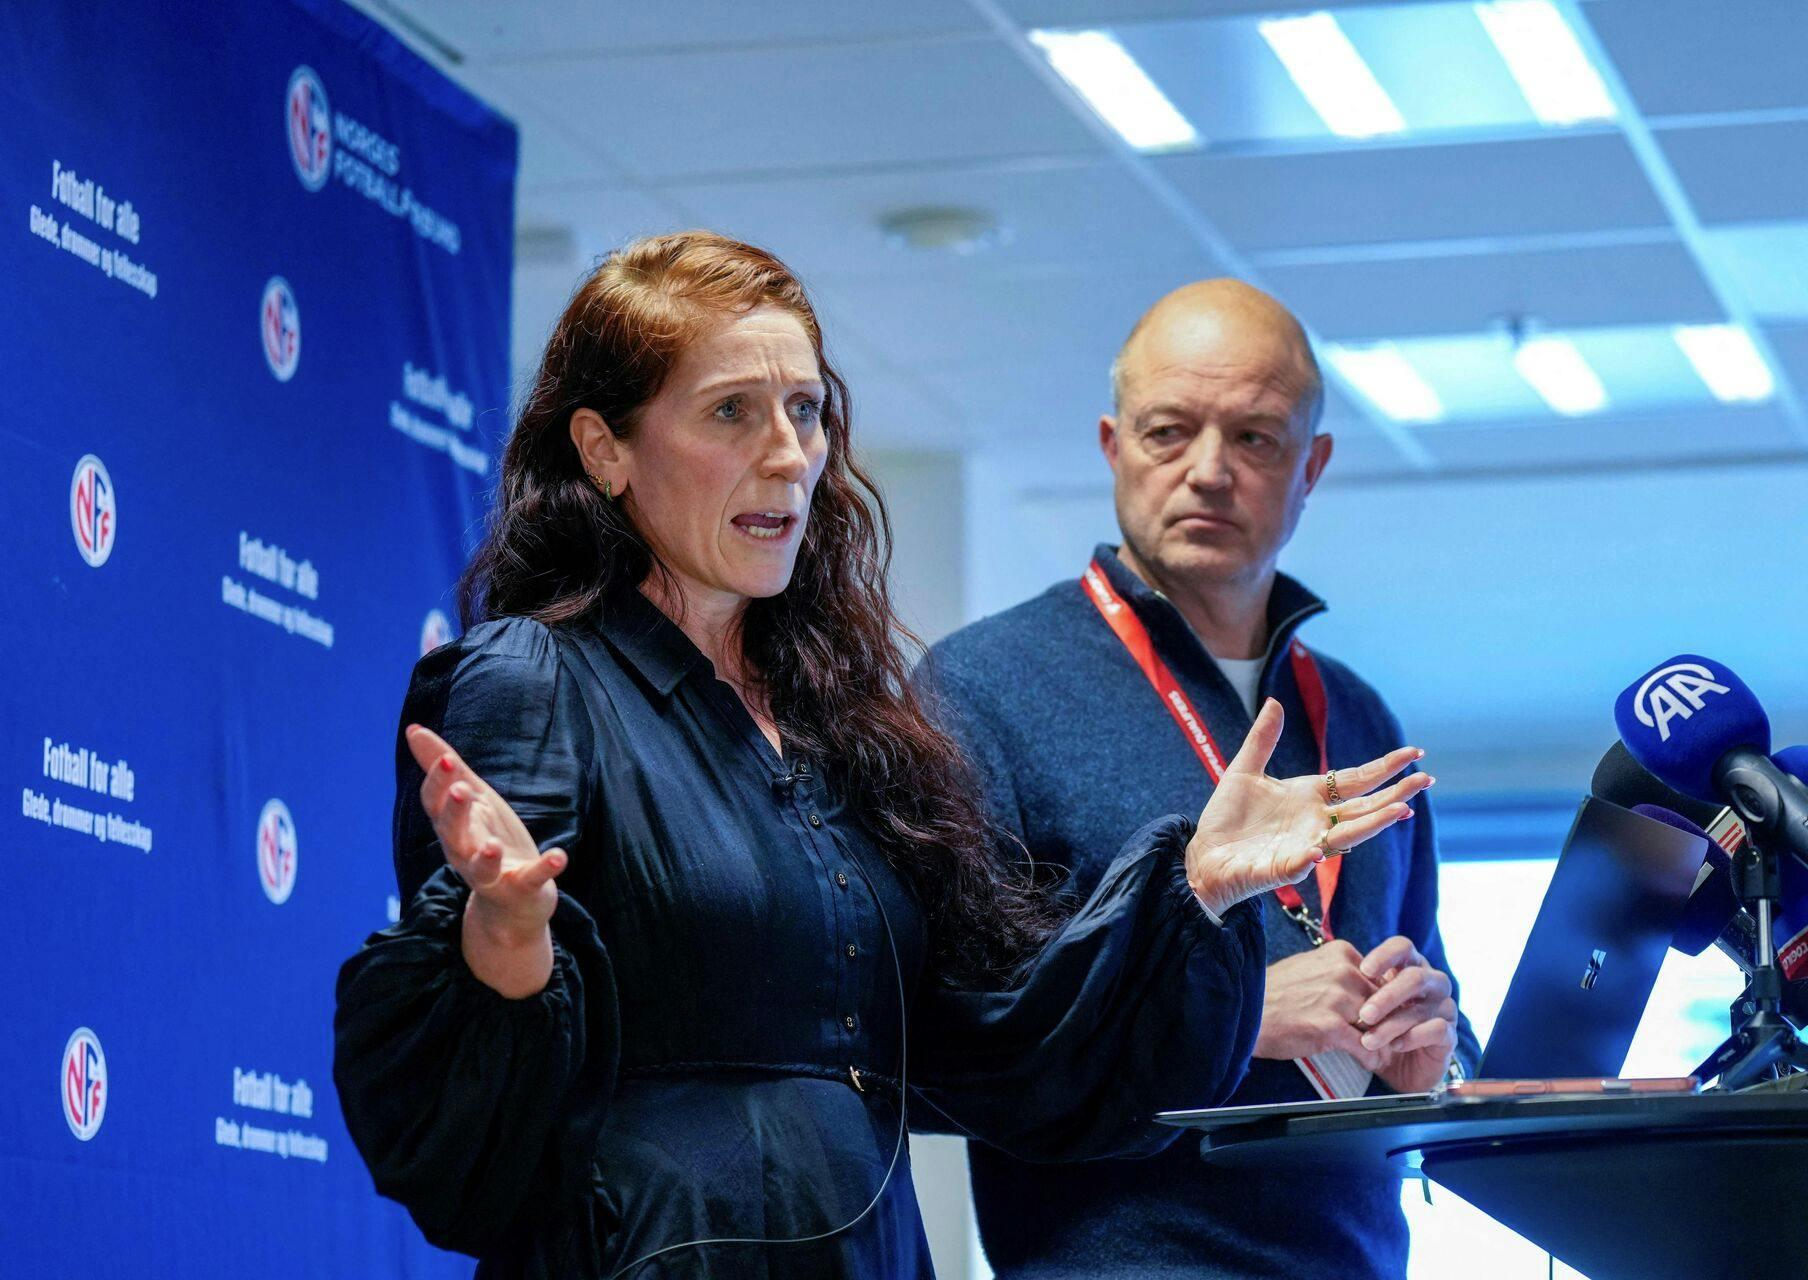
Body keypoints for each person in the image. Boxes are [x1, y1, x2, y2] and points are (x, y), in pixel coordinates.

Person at [331, 235, 1434, 1279]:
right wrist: (504, 933)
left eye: (805, 410)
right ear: (604, 448)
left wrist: (1192, 885)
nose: (787, 454)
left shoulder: (840, 725)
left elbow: (996, 1042)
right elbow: (449, 1139)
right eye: (731, 411)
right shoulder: (532, 680)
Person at [921, 278, 1480, 1280]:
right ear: (1114, 447)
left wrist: (1428, 1053)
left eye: (1255, 438)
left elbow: (1432, 1030)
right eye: (1169, 431)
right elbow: (948, 1047)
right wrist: (1235, 1015)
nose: (1209, 471)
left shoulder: (1357, 716)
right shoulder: (982, 687)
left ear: (1311, 467)